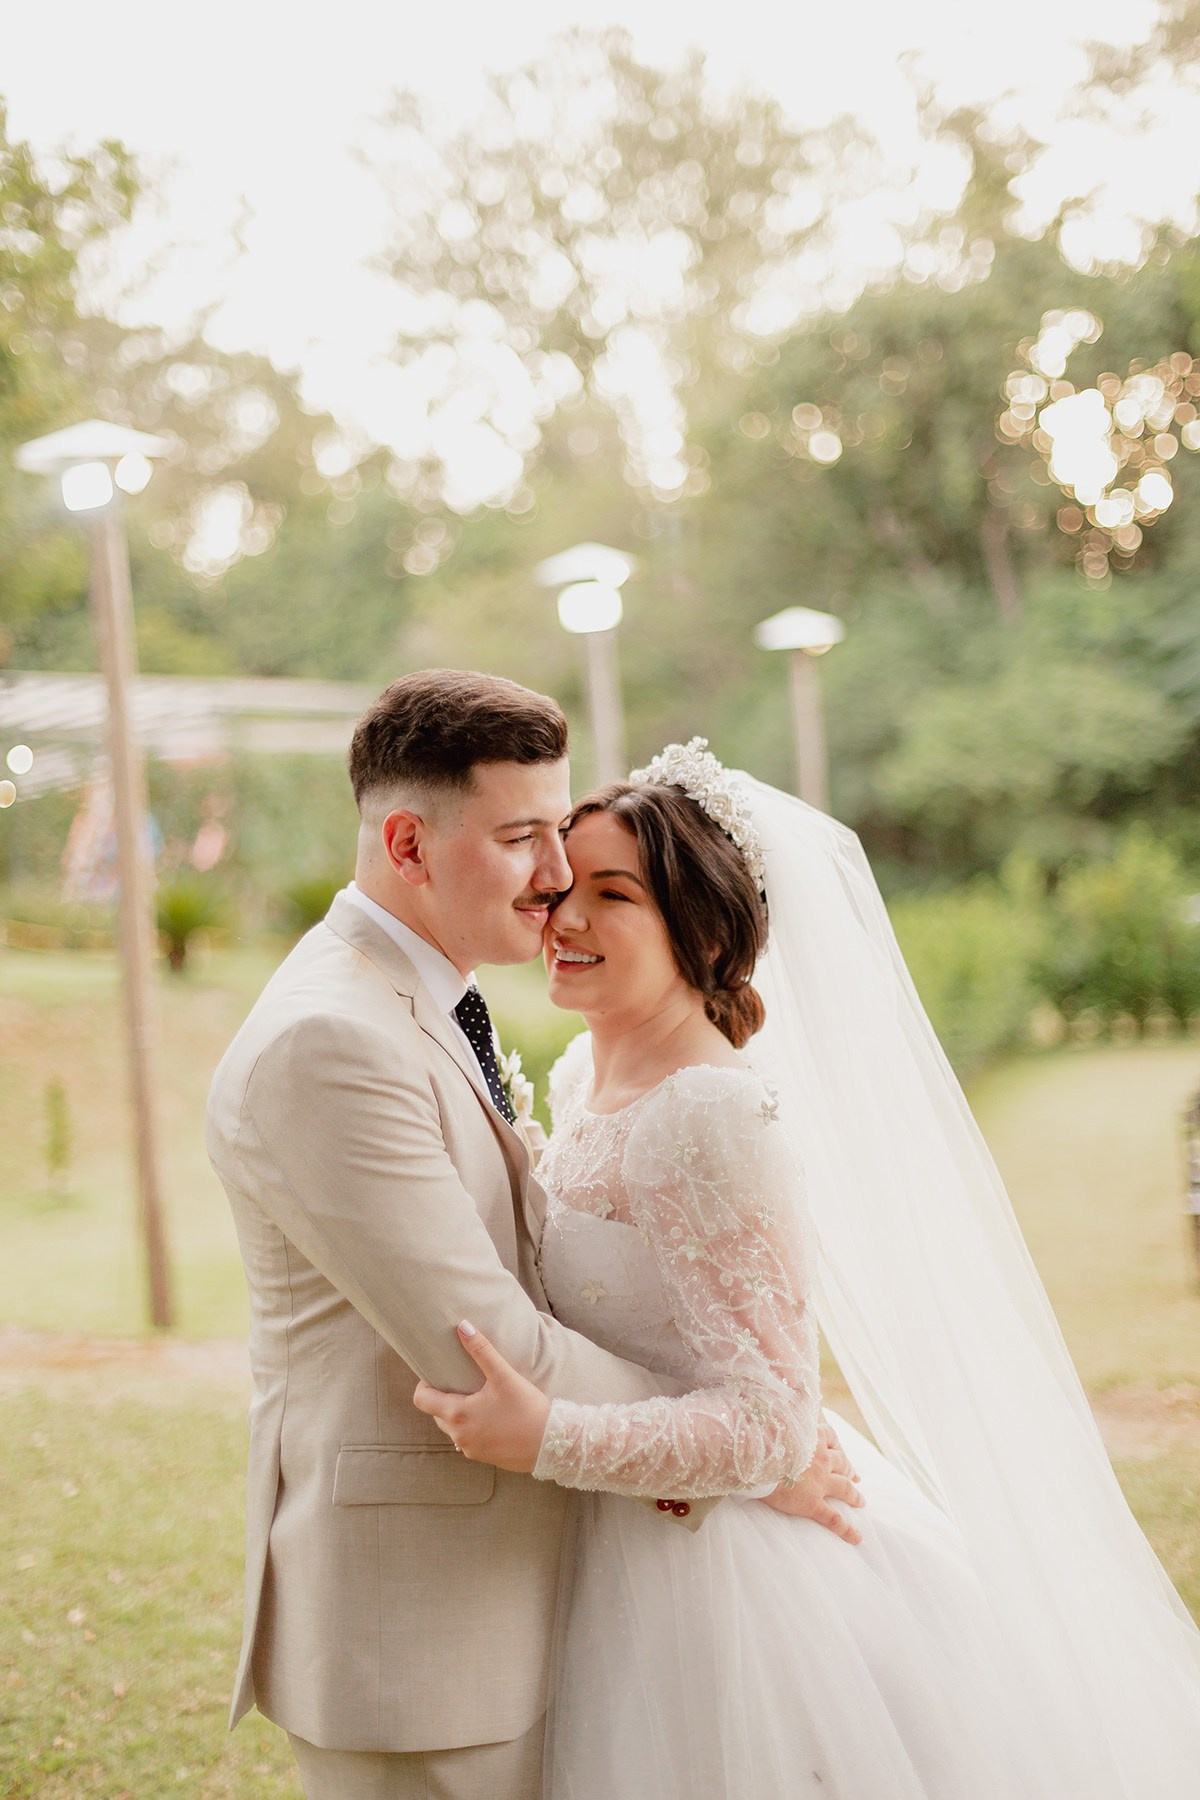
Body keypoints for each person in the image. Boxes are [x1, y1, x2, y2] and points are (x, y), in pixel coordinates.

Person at [415, 740, 1200, 1799]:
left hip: (725, 1584)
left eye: (614, 895)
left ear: (702, 933)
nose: (566, 919)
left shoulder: (711, 1113)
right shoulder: (581, 1071)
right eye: (562, 888)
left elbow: (773, 1422)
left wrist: (549, 1435)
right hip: (610, 1540)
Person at [206, 677, 857, 1800]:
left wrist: (755, 1429)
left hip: (554, 1592)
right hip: (421, 1631)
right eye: (524, 839)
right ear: (408, 844)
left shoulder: (431, 1003)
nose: (555, 879)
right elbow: (488, 1350)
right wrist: (757, 1448)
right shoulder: (334, 1039)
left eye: (565, 837)